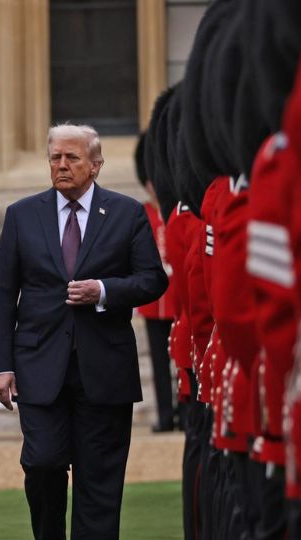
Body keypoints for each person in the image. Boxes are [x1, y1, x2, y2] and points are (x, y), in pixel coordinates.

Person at [0, 124, 167, 540]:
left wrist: (105, 291)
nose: (61, 165)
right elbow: (3, 297)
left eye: (70, 157)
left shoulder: (127, 214)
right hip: (39, 365)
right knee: (42, 464)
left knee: (99, 482)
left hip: (103, 368)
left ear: (96, 163)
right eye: (53, 157)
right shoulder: (22, 216)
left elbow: (153, 279)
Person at [132, 134, 178, 433]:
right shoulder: (142, 213)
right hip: (153, 302)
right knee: (160, 365)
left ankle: (187, 411)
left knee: (185, 359)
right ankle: (165, 414)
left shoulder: (176, 211)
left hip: (178, 299)